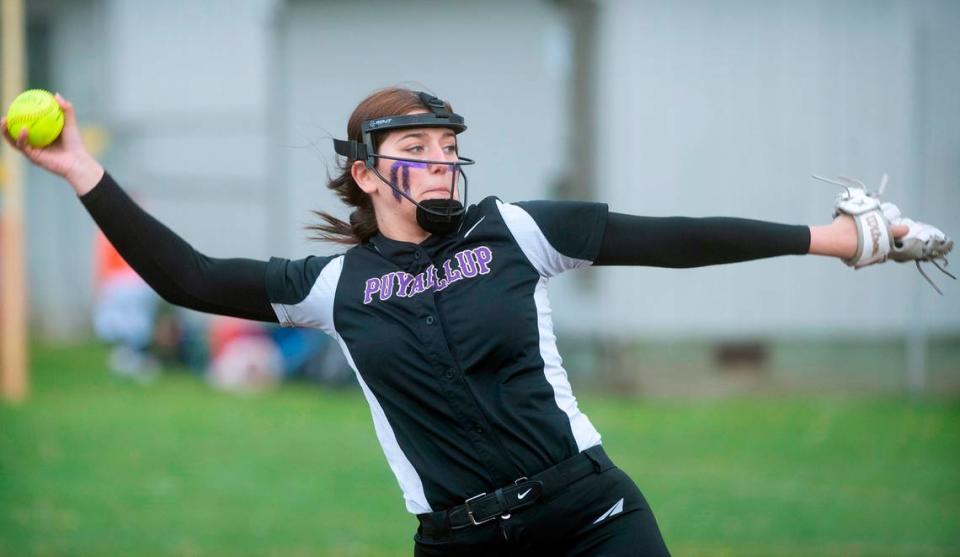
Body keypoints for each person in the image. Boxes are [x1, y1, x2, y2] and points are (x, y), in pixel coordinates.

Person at [3, 87, 952, 556]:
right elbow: (190, 276)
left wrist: (836, 237)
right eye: (414, 148)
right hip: (458, 543)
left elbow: (677, 237)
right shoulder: (333, 285)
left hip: (594, 517)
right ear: (367, 173)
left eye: (449, 145)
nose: (441, 161)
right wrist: (82, 167)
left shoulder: (516, 230)